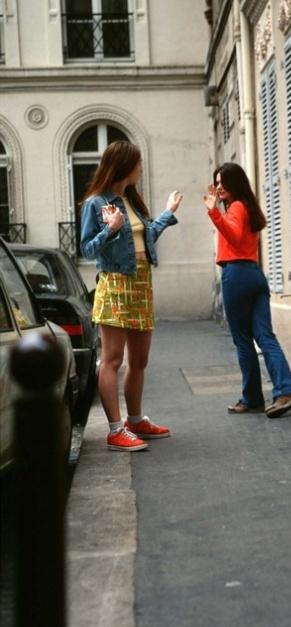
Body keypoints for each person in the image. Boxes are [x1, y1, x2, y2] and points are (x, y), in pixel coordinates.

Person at [80, 140, 182, 451]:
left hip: (141, 284)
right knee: (111, 360)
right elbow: (87, 248)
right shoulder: (96, 204)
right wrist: (110, 229)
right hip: (116, 284)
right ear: (124, 165)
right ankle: (115, 430)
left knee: (139, 360)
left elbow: (146, 235)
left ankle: (135, 421)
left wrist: (167, 213)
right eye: (137, 163)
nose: (140, 168)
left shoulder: (131, 201)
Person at [203, 162, 291, 419]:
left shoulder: (236, 207)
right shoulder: (248, 206)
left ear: (235, 183)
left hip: (236, 275)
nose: (219, 187)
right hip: (255, 274)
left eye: (223, 182)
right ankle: (284, 390)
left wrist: (214, 213)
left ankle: (252, 398)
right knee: (265, 336)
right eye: (217, 182)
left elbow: (234, 237)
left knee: (243, 340)